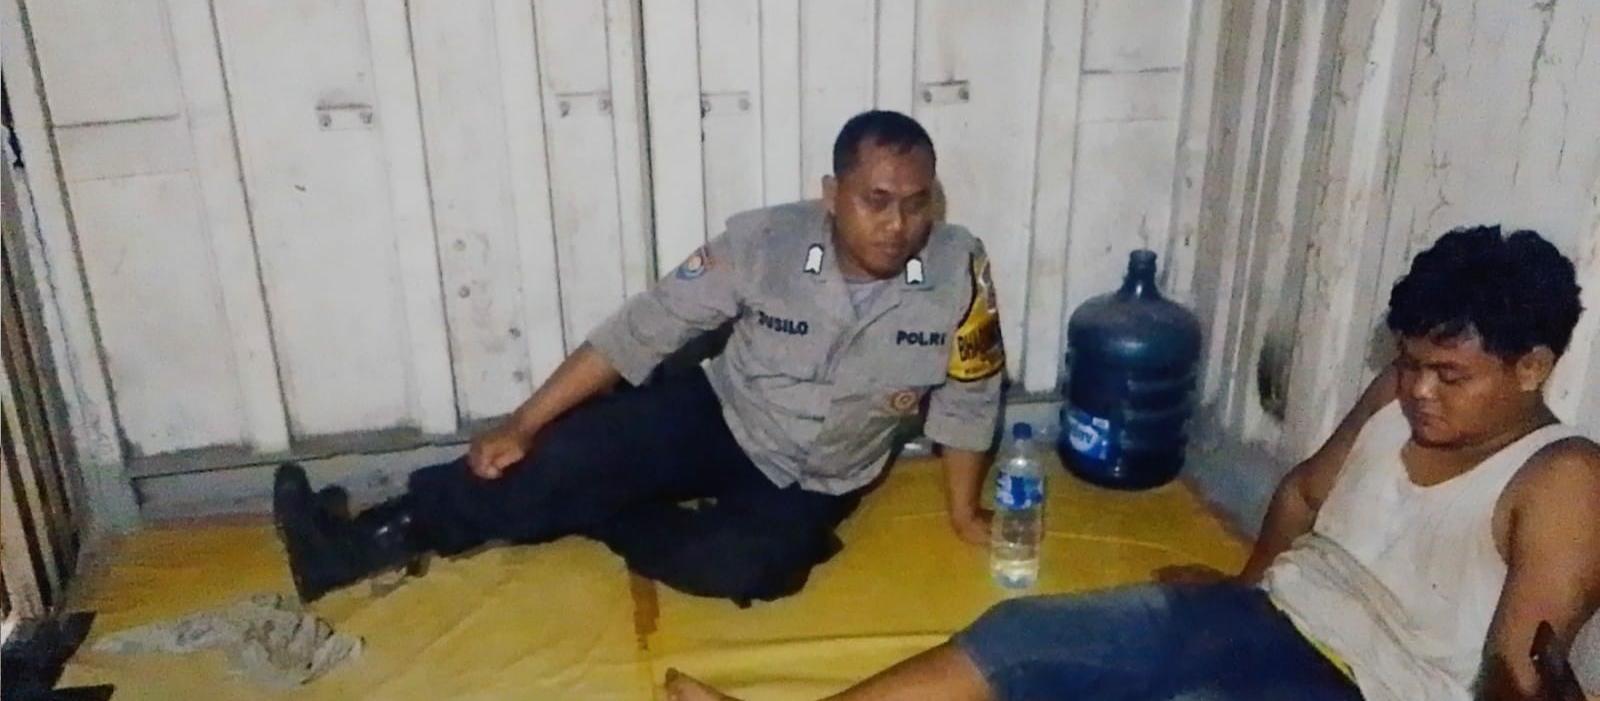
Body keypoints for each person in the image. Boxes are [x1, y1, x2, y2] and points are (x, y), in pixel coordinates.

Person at [666, 225, 1600, 700]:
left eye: (1449, 374)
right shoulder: (1401, 392)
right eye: (1410, 362)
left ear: (1532, 367)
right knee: (1022, 636)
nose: (1419, 388)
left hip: (1362, 687)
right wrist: (1242, 590)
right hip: (1276, 615)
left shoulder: (1561, 481)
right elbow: (1303, 491)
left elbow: (1519, 676)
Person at [271, 110, 1008, 606]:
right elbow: (643, 329)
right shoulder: (764, 243)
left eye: (917, 203)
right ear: (832, 194)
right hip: (724, 413)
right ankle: (357, 543)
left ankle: (608, 514)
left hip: (818, 473)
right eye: (876, 200)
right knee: (558, 455)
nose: (897, 224)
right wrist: (524, 421)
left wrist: (962, 512)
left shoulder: (959, 270)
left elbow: (969, 396)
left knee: (749, 567)